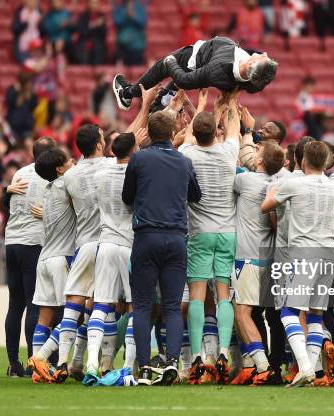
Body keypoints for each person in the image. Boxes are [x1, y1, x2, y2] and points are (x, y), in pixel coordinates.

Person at [122, 110, 202, 386]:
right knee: (171, 306)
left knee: (142, 306)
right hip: (177, 238)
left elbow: (126, 197)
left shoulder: (139, 159)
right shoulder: (184, 161)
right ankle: (171, 362)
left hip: (145, 237)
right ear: (171, 134)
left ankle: (143, 367)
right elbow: (196, 196)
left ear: (150, 133)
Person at [261, 141, 334, 387]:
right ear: (327, 162)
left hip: (304, 253)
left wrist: (270, 193)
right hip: (329, 253)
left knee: (288, 311)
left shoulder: (293, 184)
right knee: (316, 313)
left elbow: (266, 207)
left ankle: (306, 368)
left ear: (304, 160)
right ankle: (309, 370)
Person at [179, 90, 240, 385]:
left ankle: (198, 358)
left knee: (198, 297)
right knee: (224, 294)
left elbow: (191, 136)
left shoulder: (187, 155)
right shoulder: (230, 153)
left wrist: (201, 105)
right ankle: (224, 351)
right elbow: (235, 129)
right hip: (227, 232)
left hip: (199, 232)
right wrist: (231, 103)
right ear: (215, 133)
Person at [51, 124, 114, 383]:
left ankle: (63, 362)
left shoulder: (70, 176)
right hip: (108, 242)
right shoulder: (111, 167)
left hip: (83, 244)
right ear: (100, 144)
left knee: (73, 307)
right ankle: (94, 363)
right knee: (102, 305)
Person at [83, 132, 138, 384]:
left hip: (105, 243)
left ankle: (92, 363)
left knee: (101, 305)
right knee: (134, 306)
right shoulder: (136, 173)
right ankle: (127, 366)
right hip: (129, 243)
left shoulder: (100, 174)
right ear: (133, 150)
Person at [232, 142, 285, 385]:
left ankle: (262, 366)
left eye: (258, 152)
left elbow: (231, 172)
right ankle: (254, 364)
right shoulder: (277, 184)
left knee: (242, 313)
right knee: (255, 315)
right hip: (269, 258)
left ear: (261, 161)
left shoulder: (246, 181)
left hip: (248, 256)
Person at [3, 136, 55, 377]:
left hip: (11, 242)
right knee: (35, 304)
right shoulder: (50, 177)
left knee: (15, 305)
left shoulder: (19, 174)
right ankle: (35, 361)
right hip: (33, 244)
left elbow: (9, 204)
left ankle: (14, 364)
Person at [111, 36, 277, 111]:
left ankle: (127, 93)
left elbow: (184, 80)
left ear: (253, 64)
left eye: (264, 58)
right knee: (167, 96)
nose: (265, 54)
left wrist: (171, 62)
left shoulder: (218, 69)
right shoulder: (249, 74)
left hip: (191, 60)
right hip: (201, 64)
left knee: (162, 66)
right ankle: (155, 109)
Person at [27, 145, 75, 384]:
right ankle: (44, 358)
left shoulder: (46, 189)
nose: (73, 161)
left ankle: (38, 369)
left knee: (44, 317)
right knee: (73, 316)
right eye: (68, 160)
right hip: (61, 259)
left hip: (44, 258)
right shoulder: (66, 185)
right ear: (59, 169)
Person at [112, 0, 147, 66]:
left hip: (137, 47)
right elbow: (116, 22)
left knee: (136, 71)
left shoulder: (140, 8)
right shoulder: (120, 7)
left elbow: (143, 22)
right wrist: (126, 15)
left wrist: (133, 17)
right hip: (122, 47)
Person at [5, 72, 38, 141]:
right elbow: (9, 102)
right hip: (13, 126)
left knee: (29, 143)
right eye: (27, 83)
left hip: (26, 127)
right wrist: (15, 91)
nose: (29, 85)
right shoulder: (12, 91)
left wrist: (30, 95)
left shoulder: (32, 94)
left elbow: (34, 106)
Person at [74, 0, 107, 65]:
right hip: (84, 43)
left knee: (98, 48)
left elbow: (103, 35)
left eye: (96, 3)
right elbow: (82, 32)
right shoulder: (83, 16)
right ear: (88, 4)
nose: (94, 5)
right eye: (92, 3)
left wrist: (99, 26)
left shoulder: (102, 16)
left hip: (97, 44)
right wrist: (94, 25)